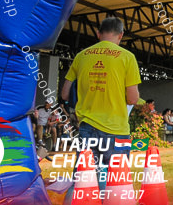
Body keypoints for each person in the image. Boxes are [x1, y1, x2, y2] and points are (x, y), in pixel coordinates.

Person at [60, 16, 141, 190]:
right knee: (117, 181)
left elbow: (65, 94)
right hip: (116, 129)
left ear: (98, 34)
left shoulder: (81, 56)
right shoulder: (127, 57)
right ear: (121, 35)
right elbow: (133, 99)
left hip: (87, 127)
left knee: (83, 179)